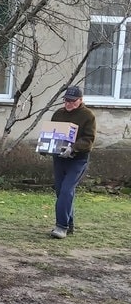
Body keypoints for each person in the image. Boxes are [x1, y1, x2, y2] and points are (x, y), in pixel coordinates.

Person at [48, 85, 96, 239]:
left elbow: (89, 139)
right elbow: (52, 134)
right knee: (61, 191)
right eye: (66, 100)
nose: (68, 104)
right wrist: (45, 147)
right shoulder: (58, 114)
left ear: (81, 100)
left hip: (78, 159)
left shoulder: (88, 116)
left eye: (72, 101)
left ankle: (61, 226)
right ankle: (69, 225)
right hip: (60, 158)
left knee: (67, 190)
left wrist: (74, 148)